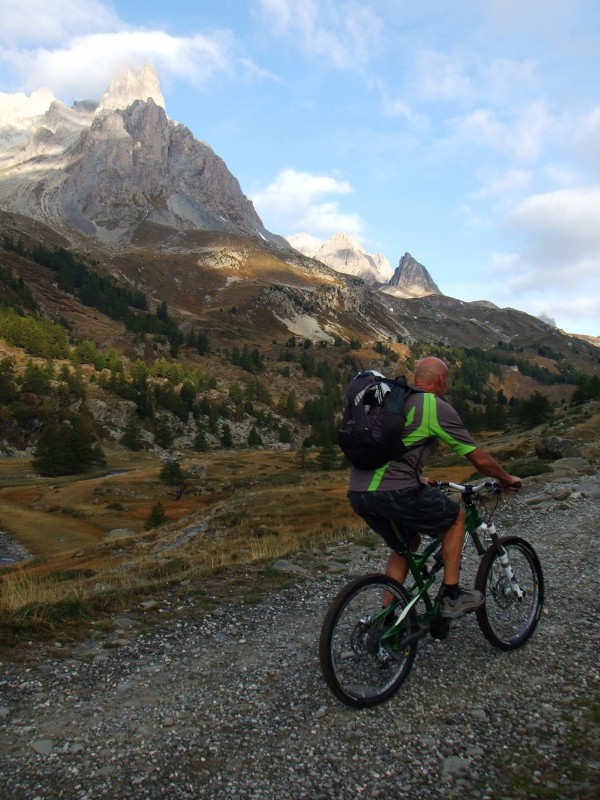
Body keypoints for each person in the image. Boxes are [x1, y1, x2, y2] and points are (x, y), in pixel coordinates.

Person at [347, 356, 521, 619]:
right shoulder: (433, 405)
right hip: (394, 491)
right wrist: (506, 478)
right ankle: (451, 596)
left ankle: (388, 618)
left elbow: (389, 449)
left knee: (408, 543)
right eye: (447, 379)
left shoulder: (394, 400)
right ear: (441, 379)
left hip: (358, 493)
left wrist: (416, 476)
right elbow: (478, 458)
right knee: (455, 518)